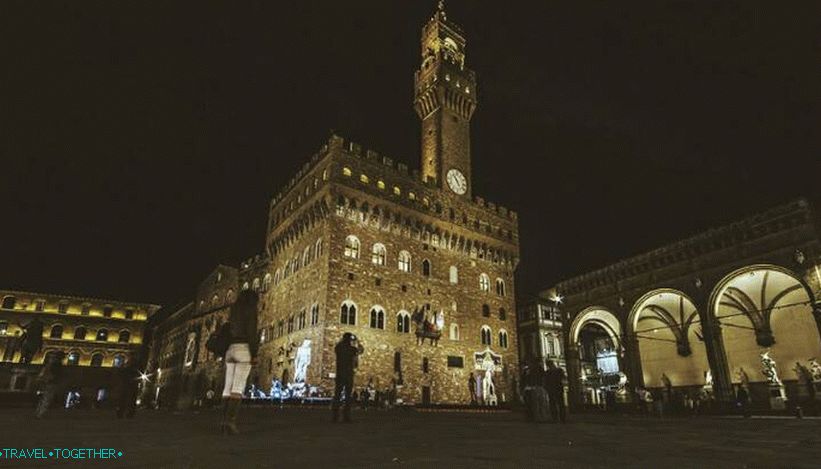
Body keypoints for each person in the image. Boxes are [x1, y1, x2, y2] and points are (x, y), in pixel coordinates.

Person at [220, 289, 259, 435]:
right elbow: (252, 332)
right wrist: (254, 353)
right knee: (237, 387)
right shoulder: (251, 310)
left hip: (231, 349)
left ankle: (223, 421)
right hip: (243, 349)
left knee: (227, 387)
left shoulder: (234, 310)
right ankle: (230, 422)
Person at [331, 332, 364, 423]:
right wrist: (358, 341)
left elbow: (336, 347)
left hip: (340, 374)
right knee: (348, 396)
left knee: (337, 395)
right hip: (348, 374)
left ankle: (335, 416)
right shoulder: (351, 349)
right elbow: (361, 350)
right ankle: (346, 416)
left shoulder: (339, 348)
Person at [35, 351, 64, 418]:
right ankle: (40, 413)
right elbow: (57, 374)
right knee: (47, 398)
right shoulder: (57, 365)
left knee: (43, 398)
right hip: (51, 382)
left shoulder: (49, 364)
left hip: (46, 382)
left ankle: (38, 412)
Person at [116, 354, 141, 418]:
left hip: (127, 386)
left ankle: (122, 412)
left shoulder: (126, 368)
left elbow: (121, 375)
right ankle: (127, 413)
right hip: (130, 386)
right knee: (129, 400)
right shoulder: (135, 369)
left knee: (124, 399)